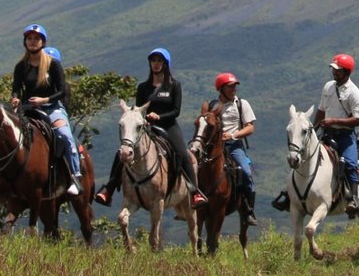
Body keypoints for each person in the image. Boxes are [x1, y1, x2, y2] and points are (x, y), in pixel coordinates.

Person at [95, 47, 206, 207]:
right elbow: (139, 109)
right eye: (153, 60)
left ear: (165, 64)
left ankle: (194, 192)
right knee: (123, 151)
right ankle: (109, 189)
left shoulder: (174, 85)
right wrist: (142, 118)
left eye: (159, 60)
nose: (155, 64)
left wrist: (159, 116)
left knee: (183, 154)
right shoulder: (143, 87)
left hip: (169, 126)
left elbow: (176, 111)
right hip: (147, 127)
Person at [9, 23, 82, 197]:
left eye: (36, 39)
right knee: (6, 134)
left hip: (52, 108)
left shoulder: (53, 64)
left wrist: (45, 100)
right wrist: (15, 98)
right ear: (25, 42)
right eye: (29, 39)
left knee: (64, 134)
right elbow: (16, 88)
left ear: (43, 42)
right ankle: (1, 178)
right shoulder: (21, 66)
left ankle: (75, 177)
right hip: (27, 109)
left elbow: (62, 90)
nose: (33, 42)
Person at [313, 52, 359, 214]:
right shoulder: (328, 86)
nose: (334, 72)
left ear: (347, 72)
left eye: (338, 70)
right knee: (305, 156)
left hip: (345, 136)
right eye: (334, 69)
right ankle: (291, 195)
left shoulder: (354, 93)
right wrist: (314, 130)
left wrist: (334, 121)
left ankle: (353, 199)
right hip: (327, 134)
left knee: (349, 163)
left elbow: (358, 120)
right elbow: (321, 110)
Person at [213, 72, 258, 218]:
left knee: (245, 171)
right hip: (214, 146)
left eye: (234, 86)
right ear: (221, 89)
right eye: (230, 87)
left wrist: (232, 135)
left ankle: (248, 210)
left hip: (234, 145)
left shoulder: (241, 104)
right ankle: (192, 201)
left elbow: (250, 127)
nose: (234, 89)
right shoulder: (213, 106)